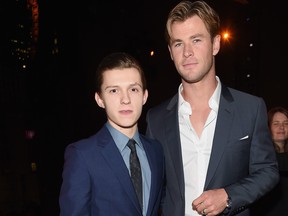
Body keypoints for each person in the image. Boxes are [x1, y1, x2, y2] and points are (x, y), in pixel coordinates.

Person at [145, 1, 279, 216]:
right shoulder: (156, 118)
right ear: (170, 52)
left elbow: (268, 171)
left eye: (196, 40)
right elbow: (154, 188)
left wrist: (229, 196)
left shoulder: (250, 108)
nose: (187, 52)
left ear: (215, 44)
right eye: (178, 43)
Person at [59, 52, 164, 216]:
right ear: (99, 99)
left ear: (144, 96)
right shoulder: (82, 155)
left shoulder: (156, 151)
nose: (125, 99)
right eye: (114, 91)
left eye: (133, 89)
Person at [252, 106, 288, 215]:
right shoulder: (259, 154)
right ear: (268, 127)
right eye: (276, 123)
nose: (281, 127)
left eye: (286, 123)